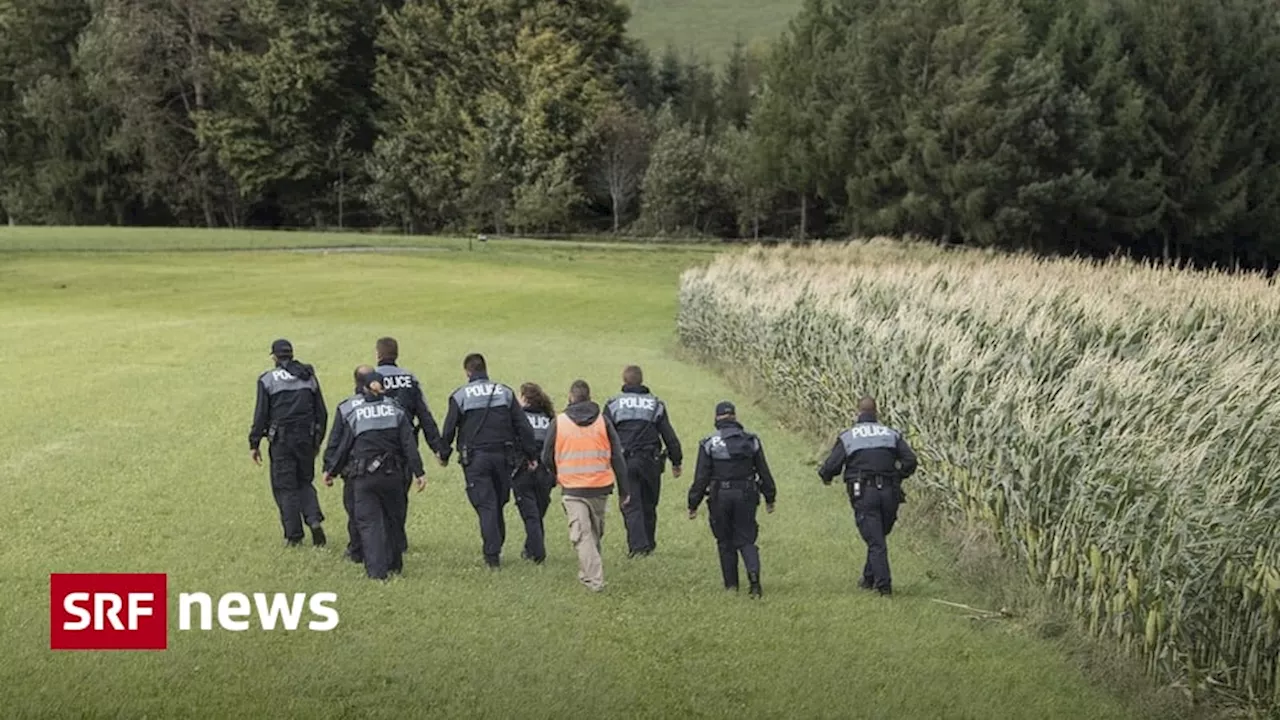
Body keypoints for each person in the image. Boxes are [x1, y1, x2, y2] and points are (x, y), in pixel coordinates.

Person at [322, 370, 426, 580]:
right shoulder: (396, 411)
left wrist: (330, 471)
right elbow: (409, 445)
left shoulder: (356, 414)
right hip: (393, 476)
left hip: (364, 477)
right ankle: (394, 565)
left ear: (364, 389)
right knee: (393, 520)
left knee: (369, 524)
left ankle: (378, 572)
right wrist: (419, 472)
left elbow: (343, 448)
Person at [439, 353, 538, 568]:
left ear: (467, 372)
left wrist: (443, 454)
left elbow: (449, 429)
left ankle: (492, 555)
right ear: (485, 368)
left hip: (476, 459)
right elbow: (524, 427)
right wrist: (531, 455)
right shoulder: (505, 393)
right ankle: (496, 544)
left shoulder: (460, 395)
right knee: (498, 502)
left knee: (486, 505)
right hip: (504, 458)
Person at [818, 396, 918, 596]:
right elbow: (910, 460)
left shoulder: (849, 436)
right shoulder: (891, 434)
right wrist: (898, 475)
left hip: (864, 492)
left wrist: (826, 477)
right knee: (878, 537)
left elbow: (832, 466)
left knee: (876, 541)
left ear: (858, 413)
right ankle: (868, 578)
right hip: (890, 492)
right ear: (877, 413)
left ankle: (884, 587)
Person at [542, 380, 630, 592]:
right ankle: (593, 578)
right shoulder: (603, 421)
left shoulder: (559, 422)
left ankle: (591, 577)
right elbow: (617, 457)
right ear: (589, 397)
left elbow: (546, 456)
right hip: (600, 488)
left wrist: (557, 474)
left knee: (586, 535)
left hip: (572, 488)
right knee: (588, 533)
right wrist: (624, 491)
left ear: (571, 397)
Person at [687, 401, 777, 598]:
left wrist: (693, 503)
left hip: (720, 496)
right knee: (746, 539)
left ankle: (731, 586)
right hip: (746, 493)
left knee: (725, 541)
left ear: (717, 418)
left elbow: (701, 477)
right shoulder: (752, 441)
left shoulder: (709, 443)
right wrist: (770, 497)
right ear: (735, 417)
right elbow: (764, 471)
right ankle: (754, 583)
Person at [248, 338, 328, 547]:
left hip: (282, 441)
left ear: (274, 357)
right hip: (306, 439)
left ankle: (294, 535)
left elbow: (261, 415)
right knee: (304, 482)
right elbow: (322, 412)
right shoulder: (308, 376)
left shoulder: (267, 379)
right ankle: (313, 519)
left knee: (285, 487)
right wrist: (317, 439)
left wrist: (254, 443)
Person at [374, 336, 445, 553]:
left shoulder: (371, 379)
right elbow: (424, 415)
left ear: (378, 354)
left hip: (376, 443)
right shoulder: (409, 379)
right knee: (398, 494)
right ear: (396, 354)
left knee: (375, 494)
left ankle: (380, 538)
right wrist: (438, 447)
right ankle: (398, 540)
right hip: (405, 445)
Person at [604, 365, 683, 557]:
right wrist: (676, 461)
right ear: (641, 380)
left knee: (631, 505)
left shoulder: (614, 404)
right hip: (651, 461)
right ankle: (648, 543)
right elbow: (669, 436)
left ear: (624, 381)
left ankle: (638, 547)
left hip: (625, 461)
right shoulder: (656, 404)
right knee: (649, 503)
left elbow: (603, 434)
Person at [321, 364, 376, 564]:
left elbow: (335, 441)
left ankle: (357, 549)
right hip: (386, 468)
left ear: (356, 383)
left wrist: (329, 468)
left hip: (354, 468)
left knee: (355, 510)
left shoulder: (346, 407)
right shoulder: (388, 405)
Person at [513, 383, 557, 564]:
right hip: (546, 473)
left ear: (524, 398)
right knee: (537, 513)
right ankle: (530, 549)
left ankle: (537, 554)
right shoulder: (550, 418)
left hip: (524, 470)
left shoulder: (519, 417)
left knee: (531, 516)